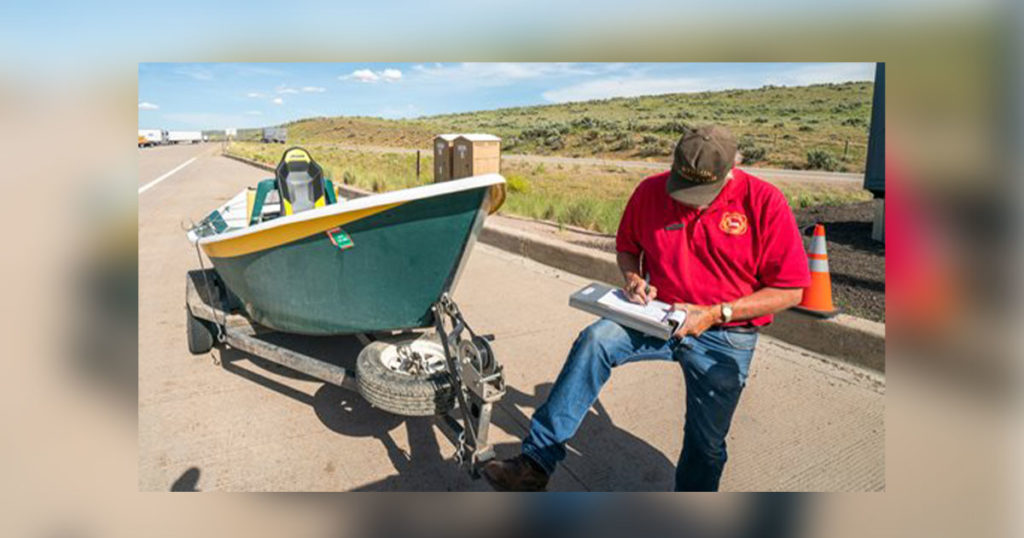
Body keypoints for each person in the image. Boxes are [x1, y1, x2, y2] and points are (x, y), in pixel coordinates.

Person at [481, 125, 811, 492]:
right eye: (684, 189)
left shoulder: (764, 202)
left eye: (701, 194)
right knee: (596, 340)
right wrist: (634, 278)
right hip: (658, 316)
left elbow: (791, 290)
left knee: (707, 445)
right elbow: (627, 248)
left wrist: (717, 313)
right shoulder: (650, 192)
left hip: (725, 333)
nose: (689, 202)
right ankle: (535, 464)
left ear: (733, 168)